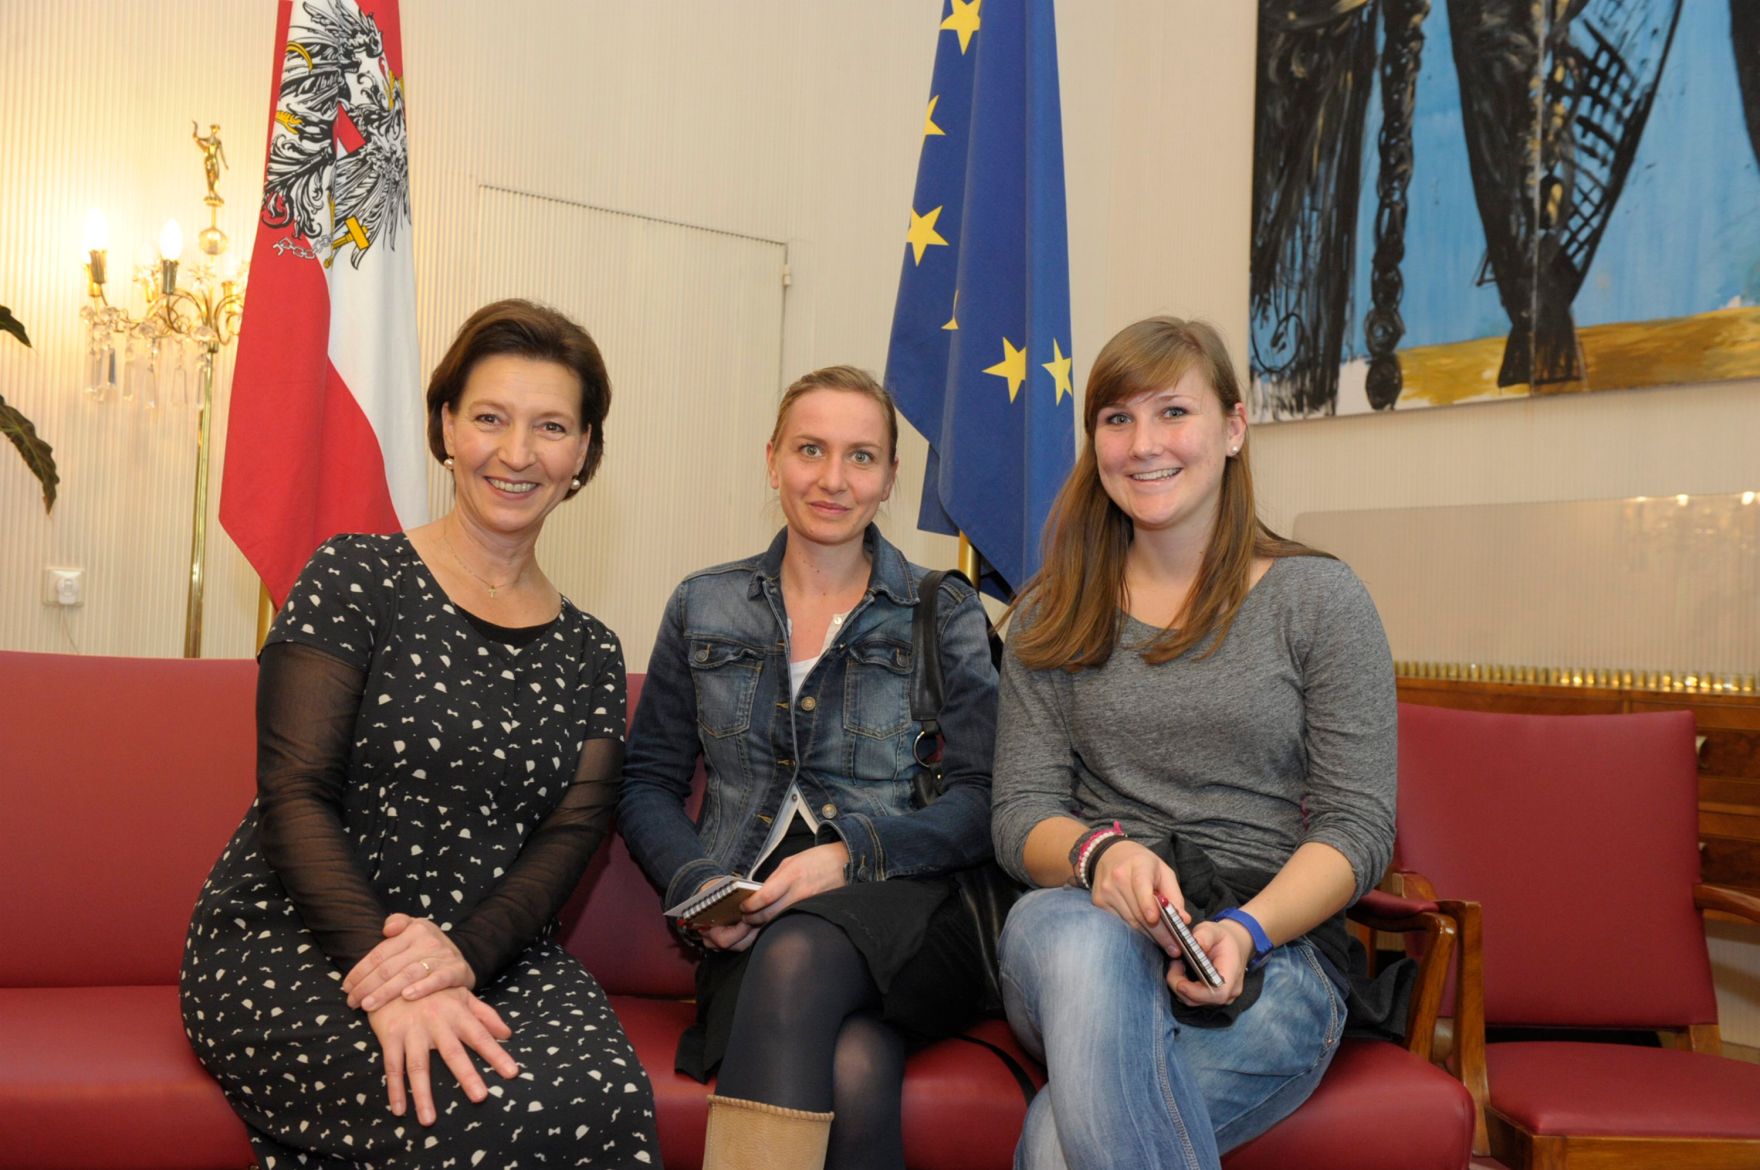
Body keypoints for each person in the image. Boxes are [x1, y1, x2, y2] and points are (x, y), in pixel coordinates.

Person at [181, 299, 660, 1168]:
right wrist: (390, 976)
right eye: (490, 418)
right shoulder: (354, 575)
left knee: (609, 1104)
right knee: (479, 1109)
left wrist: (459, 960)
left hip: (492, 950)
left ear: (584, 451)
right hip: (303, 935)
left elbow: (572, 835)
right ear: (446, 425)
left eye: (551, 426)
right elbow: (295, 792)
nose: (518, 453)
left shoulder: (593, 648)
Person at [991, 317, 1396, 1170]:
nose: (1144, 445)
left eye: (1173, 412)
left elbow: (1359, 827)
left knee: (1058, 1143)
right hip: (1081, 934)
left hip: (1269, 954)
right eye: (1117, 419)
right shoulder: (1044, 615)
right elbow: (1021, 815)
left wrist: (1247, 929)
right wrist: (1102, 857)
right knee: (1087, 935)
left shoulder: (1319, 601)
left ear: (1234, 428)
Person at [617, 366, 999, 1170]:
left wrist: (847, 855)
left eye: (861, 457)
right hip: (743, 931)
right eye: (810, 450)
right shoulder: (704, 604)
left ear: (891, 476)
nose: (833, 479)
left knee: (799, 950)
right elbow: (647, 779)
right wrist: (697, 886)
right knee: (854, 1061)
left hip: (911, 905)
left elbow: (981, 798)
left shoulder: (944, 610)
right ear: (772, 459)